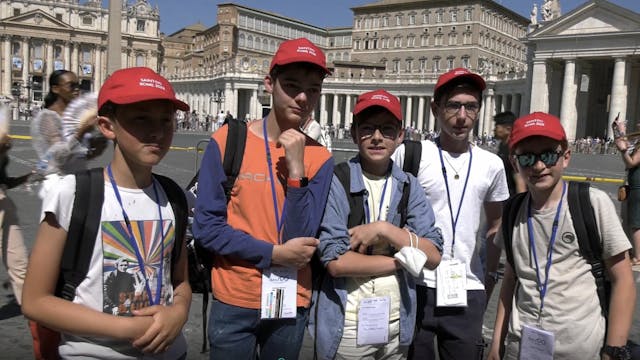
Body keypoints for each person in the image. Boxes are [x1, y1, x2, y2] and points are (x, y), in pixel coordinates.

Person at [21, 67, 192, 359]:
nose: (158, 131)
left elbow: (181, 282)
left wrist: (179, 311)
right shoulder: (71, 193)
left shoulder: (174, 196)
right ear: (107, 126)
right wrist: (127, 329)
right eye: (141, 119)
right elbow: (35, 301)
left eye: (166, 120)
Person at [192, 37, 334, 359]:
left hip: (291, 300)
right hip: (234, 297)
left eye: (312, 90)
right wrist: (273, 254)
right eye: (292, 86)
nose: (302, 98)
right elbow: (207, 228)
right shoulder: (227, 141)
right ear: (269, 83)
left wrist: (296, 171)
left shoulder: (320, 158)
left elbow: (300, 237)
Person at [487, 112, 635, 360]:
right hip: (520, 348)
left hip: (580, 351)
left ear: (565, 157)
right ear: (514, 163)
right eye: (527, 157)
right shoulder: (513, 211)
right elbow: (510, 281)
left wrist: (613, 350)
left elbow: (624, 280)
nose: (538, 165)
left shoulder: (592, 204)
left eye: (547, 155)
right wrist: (496, 343)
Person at [311, 89, 443, 359]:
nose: (377, 137)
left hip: (397, 320)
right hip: (348, 321)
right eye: (368, 128)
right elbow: (336, 262)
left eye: (387, 129)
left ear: (401, 135)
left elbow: (433, 255)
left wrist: (384, 229)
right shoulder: (338, 180)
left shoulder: (409, 185)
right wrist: (402, 261)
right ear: (353, 132)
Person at [392, 68, 509, 359]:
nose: (462, 116)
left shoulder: (492, 164)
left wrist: (489, 279)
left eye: (470, 106)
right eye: (453, 105)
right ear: (435, 108)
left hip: (467, 288)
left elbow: (496, 225)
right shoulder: (409, 155)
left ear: (479, 111)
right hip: (414, 283)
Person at [30, 70, 106, 200]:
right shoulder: (48, 117)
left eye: (78, 85)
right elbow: (59, 156)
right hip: (57, 184)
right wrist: (82, 131)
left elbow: (76, 157)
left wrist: (96, 147)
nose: (77, 89)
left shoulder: (75, 116)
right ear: (55, 89)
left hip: (77, 180)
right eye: (71, 85)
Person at [0, 133, 33, 306]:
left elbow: (3, 180)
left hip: (4, 203)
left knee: (19, 264)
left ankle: (34, 317)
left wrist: (26, 178)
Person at [613, 119, 640, 266]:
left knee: (636, 223)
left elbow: (631, 162)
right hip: (635, 187)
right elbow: (624, 144)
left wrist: (623, 150)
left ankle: (637, 256)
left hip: (638, 188)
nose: (638, 124)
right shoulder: (637, 143)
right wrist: (619, 130)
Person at [494, 111, 526, 196]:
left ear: (508, 129)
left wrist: (519, 205)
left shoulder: (514, 150)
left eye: (497, 126)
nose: (494, 129)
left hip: (511, 198)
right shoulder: (502, 146)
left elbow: (520, 180)